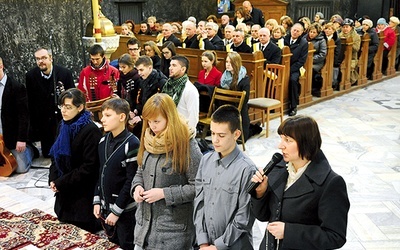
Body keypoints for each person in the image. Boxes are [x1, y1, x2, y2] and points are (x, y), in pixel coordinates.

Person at [250, 115, 350, 250]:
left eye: (288, 140)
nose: (280, 146)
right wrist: (260, 193)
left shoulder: (331, 183)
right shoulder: (279, 167)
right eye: (281, 139)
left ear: (306, 142)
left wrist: (288, 232)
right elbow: (264, 216)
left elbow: (335, 236)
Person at [131, 93, 202, 249]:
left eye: (156, 121)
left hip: (173, 232)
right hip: (144, 228)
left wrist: (164, 193)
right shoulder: (149, 138)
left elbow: (199, 186)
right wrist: (137, 188)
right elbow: (139, 172)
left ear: (169, 118)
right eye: (149, 121)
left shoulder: (187, 144)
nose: (152, 126)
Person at [193, 104, 257, 249]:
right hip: (206, 243)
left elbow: (244, 218)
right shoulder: (205, 160)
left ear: (236, 134)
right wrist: (203, 242)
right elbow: (199, 202)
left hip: (234, 245)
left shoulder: (247, 169)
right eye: (213, 133)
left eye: (221, 135)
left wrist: (218, 246)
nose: (215, 140)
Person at [49, 88, 102, 233]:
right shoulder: (63, 125)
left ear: (80, 107)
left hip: (82, 194)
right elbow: (55, 155)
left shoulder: (91, 130)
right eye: (62, 107)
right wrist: (53, 178)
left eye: (68, 107)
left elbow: (89, 167)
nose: (63, 111)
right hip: (65, 189)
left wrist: (62, 182)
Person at [93, 98, 140, 250]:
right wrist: (97, 200)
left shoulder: (132, 143)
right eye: (102, 115)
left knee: (127, 244)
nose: (102, 119)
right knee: (112, 243)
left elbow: (130, 181)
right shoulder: (103, 141)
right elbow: (101, 172)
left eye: (107, 115)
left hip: (125, 211)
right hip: (107, 206)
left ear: (121, 117)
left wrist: (116, 211)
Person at [26, 47, 75, 158]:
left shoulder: (64, 73)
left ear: (51, 58)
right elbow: (31, 101)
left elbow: (73, 96)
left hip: (62, 118)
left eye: (44, 58)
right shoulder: (30, 76)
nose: (41, 61)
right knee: (48, 154)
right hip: (44, 122)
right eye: (38, 59)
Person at [0, 57, 34, 174]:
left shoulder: (16, 87)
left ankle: (31, 150)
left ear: (1, 66)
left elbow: (23, 115)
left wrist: (21, 139)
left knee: (21, 169)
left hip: (12, 136)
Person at [131, 55, 168, 138]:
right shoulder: (142, 80)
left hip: (156, 119)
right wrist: (136, 110)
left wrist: (142, 117)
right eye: (138, 70)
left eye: (141, 70)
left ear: (150, 68)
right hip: (144, 115)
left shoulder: (161, 82)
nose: (139, 73)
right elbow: (141, 98)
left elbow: (159, 106)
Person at [220, 52, 251, 141]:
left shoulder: (244, 79)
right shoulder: (225, 76)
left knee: (241, 139)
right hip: (227, 108)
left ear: (236, 63)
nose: (228, 65)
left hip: (240, 111)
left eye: (230, 62)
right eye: (226, 62)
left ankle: (254, 128)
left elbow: (245, 99)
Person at [162, 55, 199, 130]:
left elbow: (193, 116)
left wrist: (188, 135)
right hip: (166, 127)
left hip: (181, 130)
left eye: (174, 65)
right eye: (170, 65)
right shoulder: (168, 85)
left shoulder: (190, 89)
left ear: (183, 69)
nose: (170, 68)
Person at [284, 23, 308, 116]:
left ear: (301, 32)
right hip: (282, 66)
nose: (295, 32)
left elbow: (301, 60)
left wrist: (289, 70)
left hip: (295, 67)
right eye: (294, 30)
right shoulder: (284, 39)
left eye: (298, 31)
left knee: (293, 80)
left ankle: (293, 106)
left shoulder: (303, 43)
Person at [306, 23, 327, 97]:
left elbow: (322, 54)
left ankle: (312, 89)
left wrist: (311, 59)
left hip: (317, 62)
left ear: (318, 33)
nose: (311, 34)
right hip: (305, 60)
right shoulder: (304, 39)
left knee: (310, 69)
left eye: (314, 32)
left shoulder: (321, 41)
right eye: (310, 32)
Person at [116, 53, 140, 118]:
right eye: (120, 67)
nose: (121, 69)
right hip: (122, 107)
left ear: (131, 66)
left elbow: (137, 97)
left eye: (124, 67)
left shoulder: (137, 78)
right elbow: (119, 91)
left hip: (133, 110)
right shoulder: (121, 77)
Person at [339, 18, 360, 85]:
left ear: (351, 27)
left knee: (347, 65)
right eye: (344, 27)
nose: (345, 29)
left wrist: (349, 45)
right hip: (340, 56)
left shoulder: (356, 36)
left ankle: (349, 80)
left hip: (352, 57)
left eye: (347, 27)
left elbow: (356, 48)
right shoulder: (339, 35)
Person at [323, 22, 342, 89]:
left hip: (333, 60)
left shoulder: (337, 40)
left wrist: (332, 61)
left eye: (329, 29)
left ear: (333, 31)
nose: (327, 31)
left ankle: (333, 83)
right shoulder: (322, 38)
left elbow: (337, 52)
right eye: (326, 29)